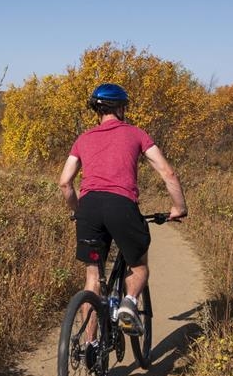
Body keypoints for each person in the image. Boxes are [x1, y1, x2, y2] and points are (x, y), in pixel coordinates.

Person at [58, 83, 187, 335]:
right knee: (138, 264)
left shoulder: (83, 138)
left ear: (98, 110)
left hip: (90, 207)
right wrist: (178, 207)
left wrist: (77, 211)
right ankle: (129, 303)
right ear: (120, 108)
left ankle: (89, 346)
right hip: (121, 205)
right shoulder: (136, 134)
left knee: (92, 278)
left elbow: (65, 183)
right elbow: (167, 172)